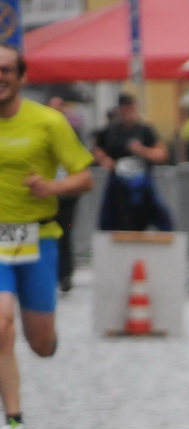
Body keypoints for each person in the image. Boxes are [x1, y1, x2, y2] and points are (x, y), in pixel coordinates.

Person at [0, 45, 93, 429]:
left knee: (39, 344)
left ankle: (46, 336)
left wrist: (51, 187)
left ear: (21, 77)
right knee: (1, 323)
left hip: (38, 237)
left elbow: (84, 178)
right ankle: (14, 422)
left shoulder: (48, 122)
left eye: (6, 70)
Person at [91, 92, 171, 234]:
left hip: (142, 183)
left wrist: (141, 150)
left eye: (130, 107)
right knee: (112, 218)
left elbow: (161, 154)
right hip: (118, 183)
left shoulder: (145, 130)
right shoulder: (110, 130)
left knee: (158, 215)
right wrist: (104, 160)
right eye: (124, 107)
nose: (127, 111)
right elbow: (96, 148)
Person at [45, 94, 83, 292]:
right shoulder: (41, 131)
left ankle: (65, 275)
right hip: (47, 195)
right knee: (47, 235)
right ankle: (50, 273)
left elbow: (81, 165)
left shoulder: (71, 132)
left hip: (67, 195)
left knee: (65, 233)